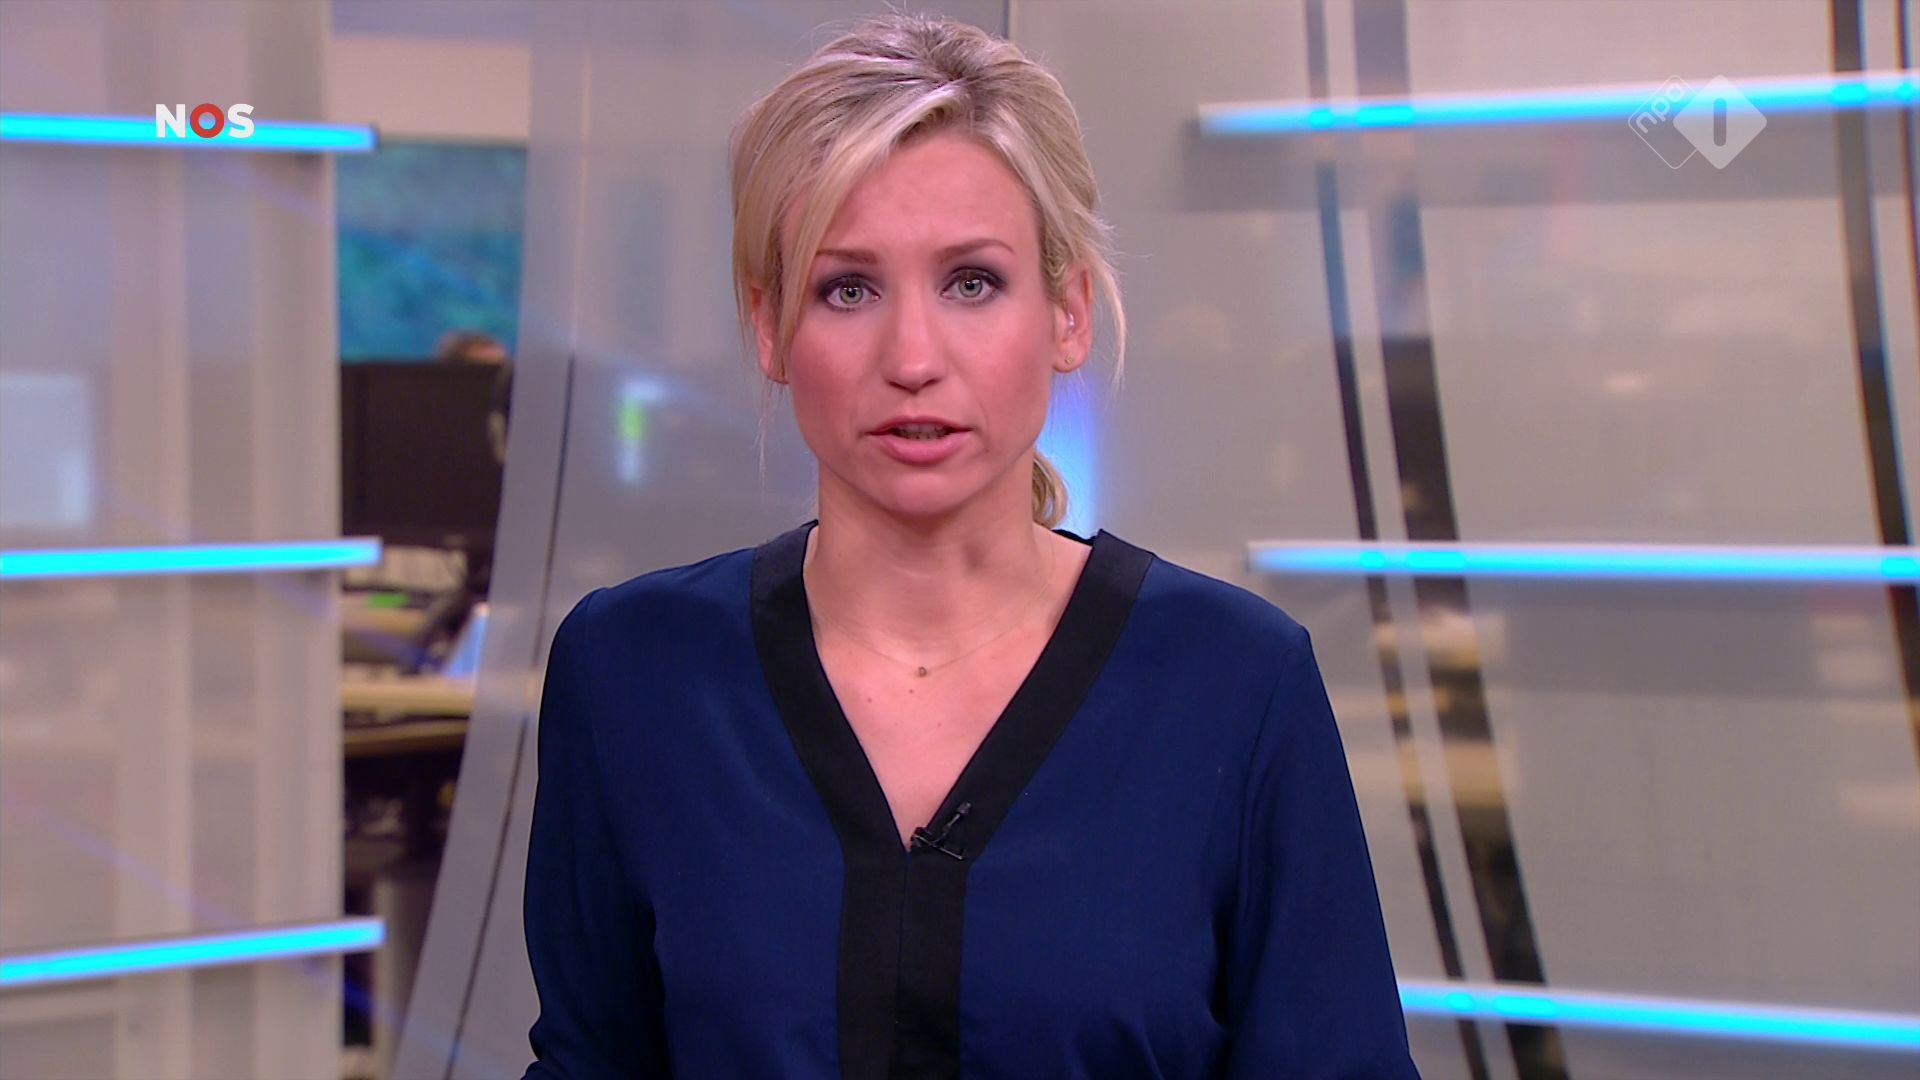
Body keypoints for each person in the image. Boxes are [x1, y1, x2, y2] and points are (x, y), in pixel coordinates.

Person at [521, 12, 1420, 1080]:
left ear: (1068, 312)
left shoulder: (1235, 683)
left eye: (972, 283)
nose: (913, 357)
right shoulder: (634, 673)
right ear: (769, 326)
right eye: (848, 289)